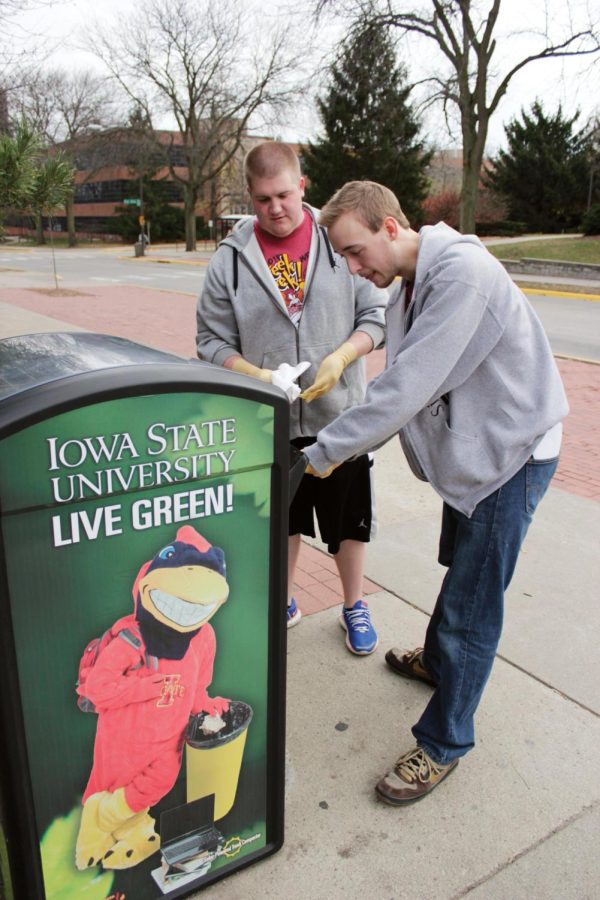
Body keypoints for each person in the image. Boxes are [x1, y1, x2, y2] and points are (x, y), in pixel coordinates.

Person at [302, 180, 568, 802]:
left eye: (354, 250)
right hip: (476, 450)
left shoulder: (462, 275)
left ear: (390, 227)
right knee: (463, 572)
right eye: (342, 256)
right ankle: (438, 662)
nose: (352, 266)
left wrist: (322, 454)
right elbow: (399, 364)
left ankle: (444, 743)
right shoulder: (408, 284)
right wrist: (345, 356)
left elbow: (405, 388)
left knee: (476, 601)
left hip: (512, 454)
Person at [196, 144, 387, 654]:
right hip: (272, 421)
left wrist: (343, 357)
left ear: (302, 186)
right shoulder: (231, 261)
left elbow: (376, 318)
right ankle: (283, 600)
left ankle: (354, 604)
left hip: (341, 416)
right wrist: (255, 374)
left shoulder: (339, 241)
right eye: (262, 199)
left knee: (349, 522)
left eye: (284, 195)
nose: (275, 208)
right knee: (283, 519)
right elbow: (210, 342)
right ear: (250, 197)